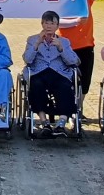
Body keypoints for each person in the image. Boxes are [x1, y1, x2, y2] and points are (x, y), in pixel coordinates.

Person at [22, 10, 81, 138]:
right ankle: (45, 123)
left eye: (52, 23)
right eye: (46, 23)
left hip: (59, 72)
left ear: (57, 26)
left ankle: (61, 123)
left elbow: (74, 61)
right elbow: (27, 59)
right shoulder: (32, 39)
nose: (49, 26)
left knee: (65, 87)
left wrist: (61, 48)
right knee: (36, 85)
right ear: (42, 24)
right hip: (39, 71)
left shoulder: (64, 41)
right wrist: (37, 44)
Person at [56, 0, 104, 105]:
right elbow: (54, 22)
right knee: (65, 79)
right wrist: (75, 22)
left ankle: (78, 108)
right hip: (64, 45)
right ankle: (66, 106)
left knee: (84, 81)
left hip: (86, 45)